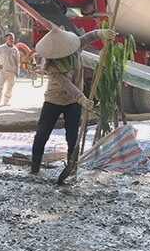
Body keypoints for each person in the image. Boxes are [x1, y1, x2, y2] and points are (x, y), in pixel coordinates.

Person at [29, 26, 115, 175]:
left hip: (73, 102)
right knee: (42, 133)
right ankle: (34, 167)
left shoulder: (75, 48)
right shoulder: (50, 65)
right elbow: (66, 84)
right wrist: (82, 98)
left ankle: (72, 166)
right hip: (54, 100)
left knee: (73, 135)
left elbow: (89, 36)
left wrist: (102, 33)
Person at [0, 32, 20, 107]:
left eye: (13, 38)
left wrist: (17, 71)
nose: (11, 40)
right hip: (3, 71)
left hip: (12, 72)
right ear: (6, 39)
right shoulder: (1, 48)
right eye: (10, 38)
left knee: (10, 87)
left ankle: (6, 101)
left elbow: (17, 62)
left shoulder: (15, 50)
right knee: (0, 86)